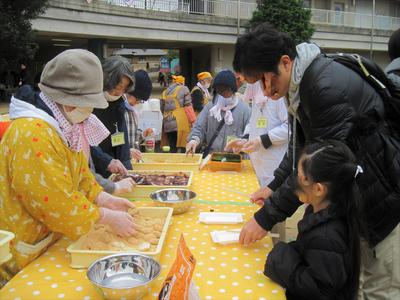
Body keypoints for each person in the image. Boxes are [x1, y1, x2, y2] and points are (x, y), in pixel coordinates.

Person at [233, 24, 400, 299]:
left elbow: (312, 168)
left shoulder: (324, 86)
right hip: (360, 196)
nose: (264, 91)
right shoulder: (301, 84)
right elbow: (300, 146)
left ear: (285, 62)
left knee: (379, 288)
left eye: (264, 80)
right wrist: (274, 186)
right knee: (356, 284)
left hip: (385, 202)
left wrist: (264, 219)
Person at [0, 49, 136, 287]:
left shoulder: (62, 126)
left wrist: (103, 198)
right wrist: (105, 216)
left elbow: (80, 174)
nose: (91, 110)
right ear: (67, 99)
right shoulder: (32, 133)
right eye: (88, 103)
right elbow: (55, 201)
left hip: (47, 239)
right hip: (23, 248)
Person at [266, 140, 363, 300]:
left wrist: (280, 259)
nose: (294, 181)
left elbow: (318, 289)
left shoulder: (327, 236)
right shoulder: (321, 213)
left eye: (300, 177)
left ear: (319, 189)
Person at [186, 70, 251, 155]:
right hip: (212, 158)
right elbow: (199, 128)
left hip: (236, 159)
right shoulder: (210, 108)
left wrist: (244, 142)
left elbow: (250, 132)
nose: (223, 93)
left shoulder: (244, 110)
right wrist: (194, 140)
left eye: (225, 90)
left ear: (233, 89)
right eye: (219, 90)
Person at [92, 55, 135, 178]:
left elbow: (122, 139)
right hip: (93, 167)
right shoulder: (90, 102)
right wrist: (106, 161)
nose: (119, 92)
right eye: (117, 86)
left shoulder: (119, 103)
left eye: (124, 88)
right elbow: (85, 141)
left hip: (112, 167)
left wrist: (127, 172)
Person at [124, 69, 153, 160]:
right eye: (138, 99)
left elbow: (133, 137)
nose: (138, 103)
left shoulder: (132, 111)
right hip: (119, 162)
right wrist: (125, 151)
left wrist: (143, 134)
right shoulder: (118, 110)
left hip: (130, 161)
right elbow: (113, 141)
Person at [161, 75, 193, 153]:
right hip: (180, 122)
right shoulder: (184, 88)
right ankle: (183, 163)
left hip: (167, 121)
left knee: (172, 146)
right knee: (183, 145)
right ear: (182, 82)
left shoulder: (165, 92)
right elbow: (188, 105)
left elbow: (162, 108)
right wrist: (192, 120)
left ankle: (172, 162)